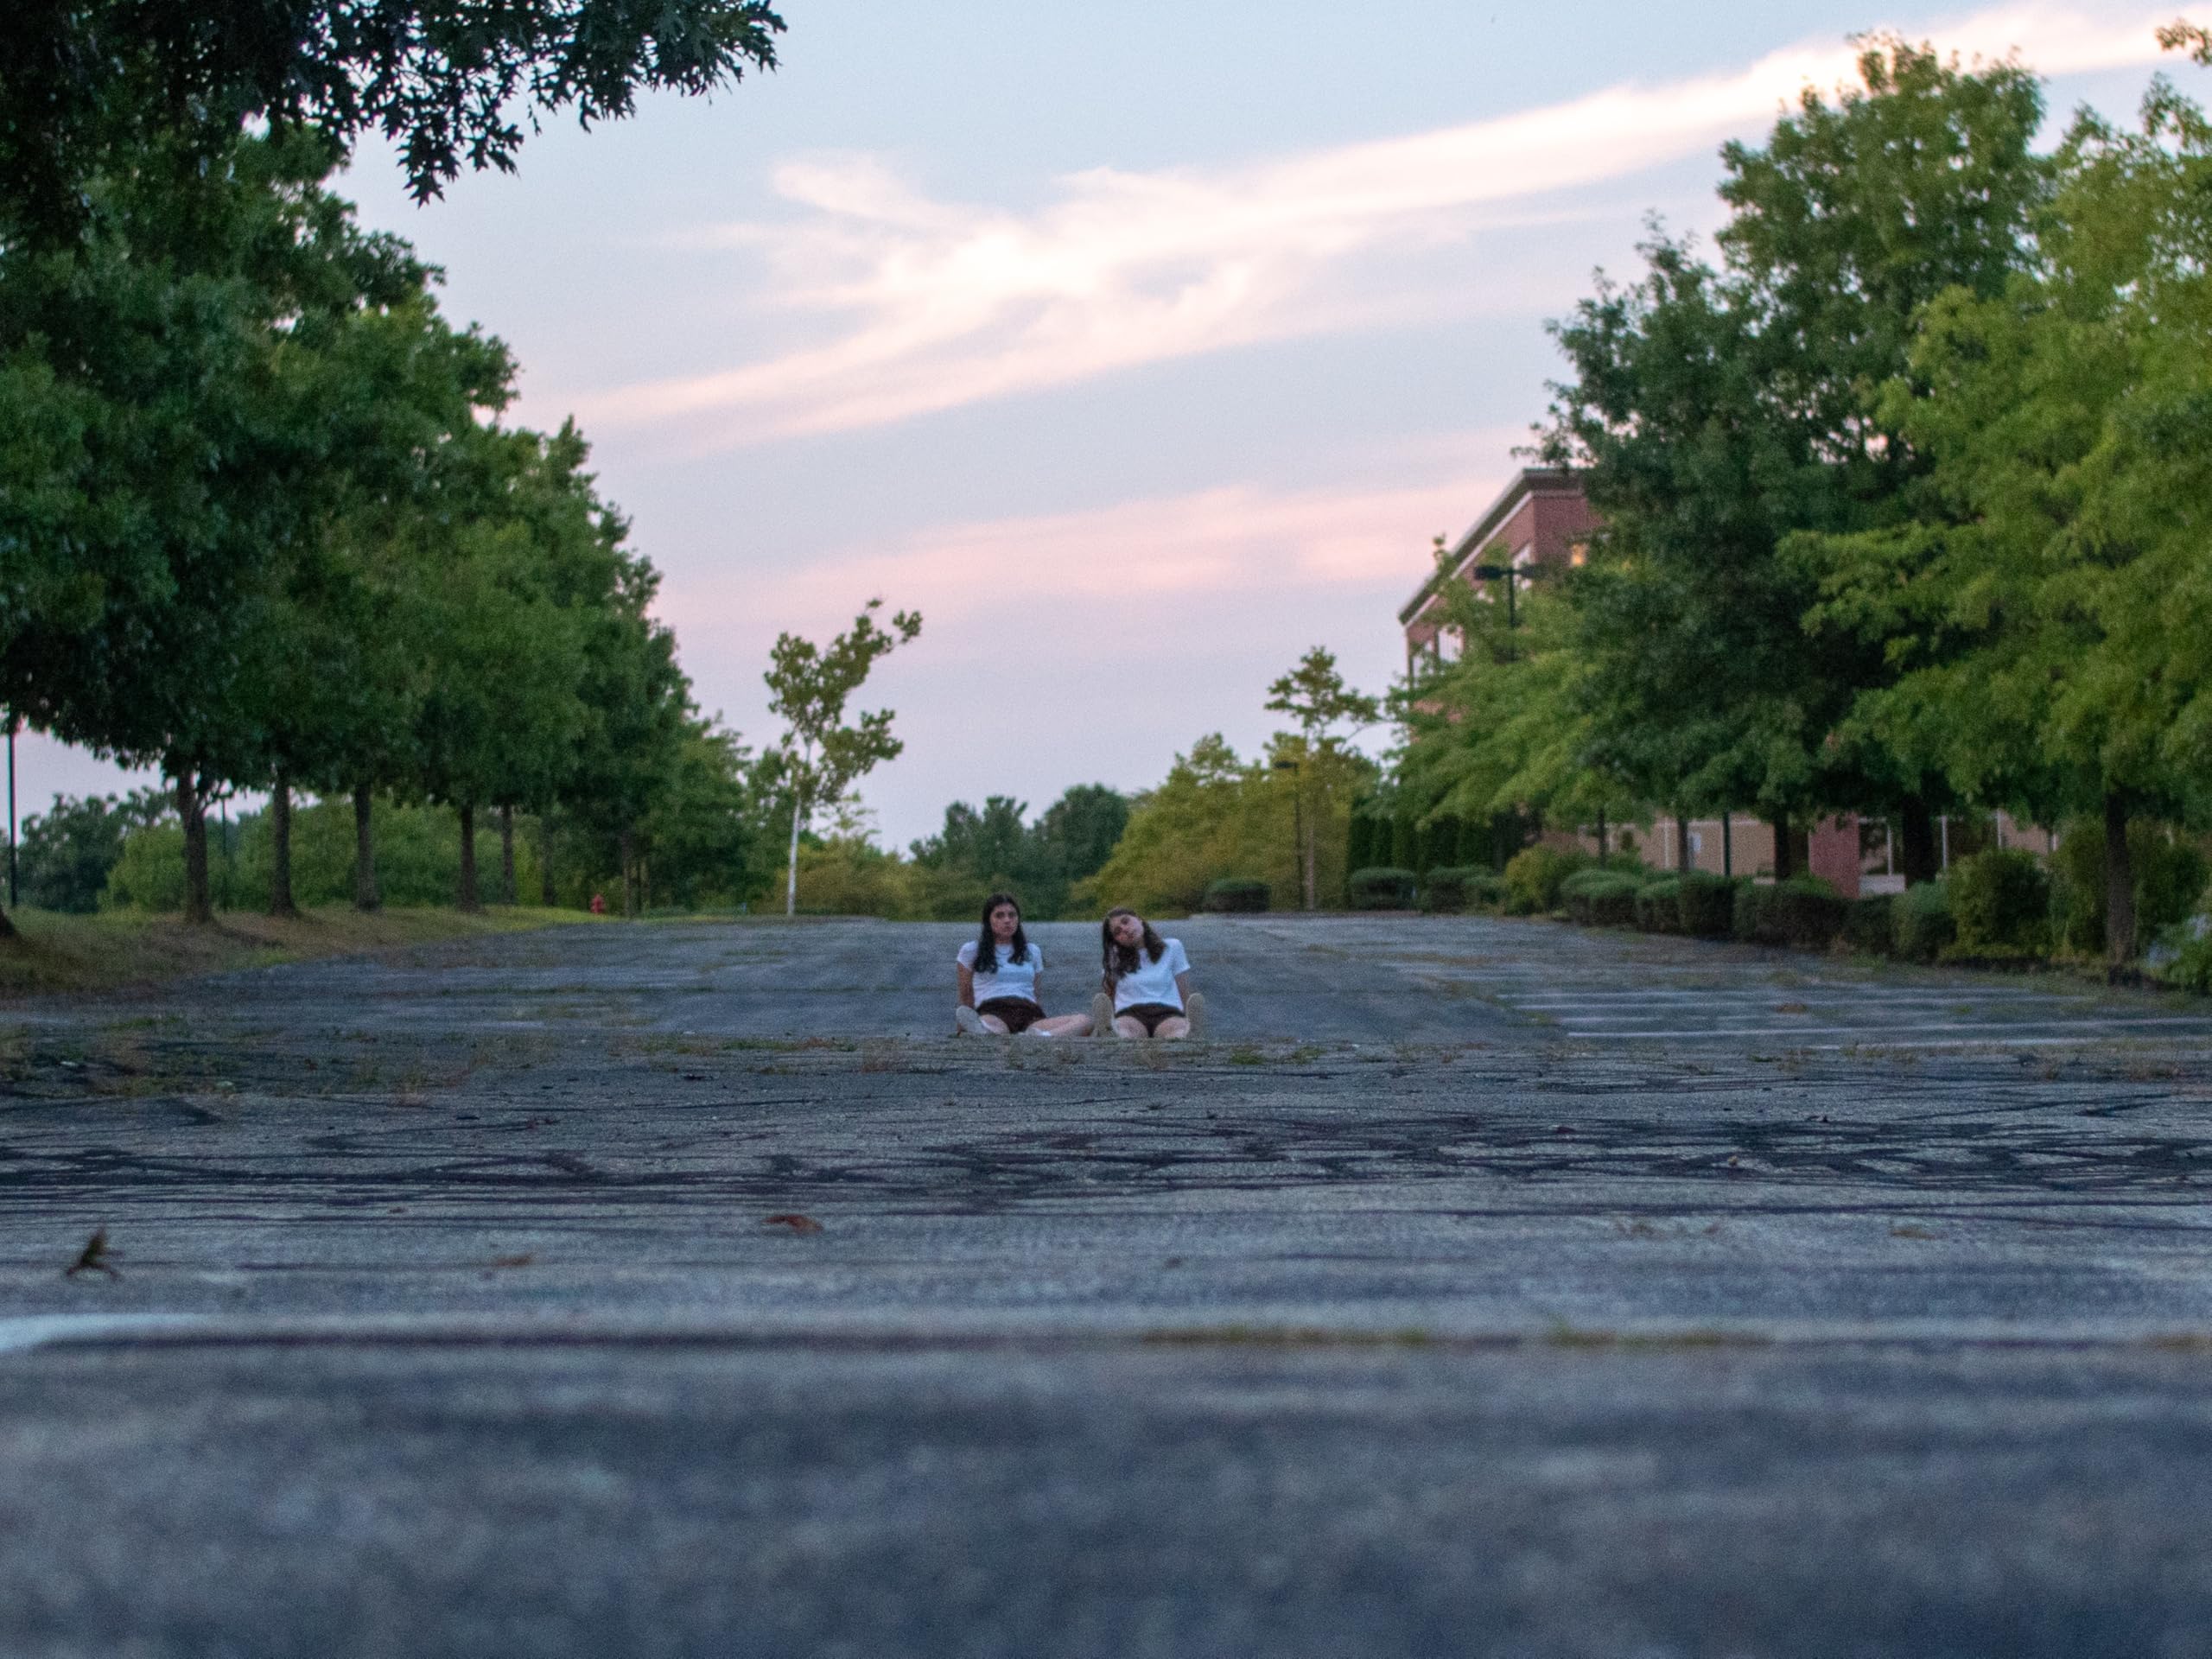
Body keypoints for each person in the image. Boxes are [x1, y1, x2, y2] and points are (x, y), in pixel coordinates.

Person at [953, 893, 1092, 1037]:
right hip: (993, 1010)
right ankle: (984, 1032)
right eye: (999, 916)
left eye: (1012, 915)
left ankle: (1042, 1037)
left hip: (1028, 1013)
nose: (1007, 920)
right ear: (988, 920)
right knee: (992, 1029)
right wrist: (960, 1029)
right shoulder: (971, 950)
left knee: (1085, 1021)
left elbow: (1035, 994)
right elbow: (965, 995)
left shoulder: (1032, 951)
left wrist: (1040, 1020)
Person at [1092, 907, 1206, 1039]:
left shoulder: (1173, 947)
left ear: (1139, 920)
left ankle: (1188, 1033)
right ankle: (1113, 1033)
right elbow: (1110, 996)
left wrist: (1187, 1016)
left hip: (1167, 1012)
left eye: (1126, 921)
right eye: (1117, 932)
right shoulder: (1113, 957)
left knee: (1175, 1032)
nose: (1125, 929)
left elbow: (1183, 989)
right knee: (1125, 1032)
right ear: (1116, 940)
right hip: (1130, 1013)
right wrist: (1106, 1020)